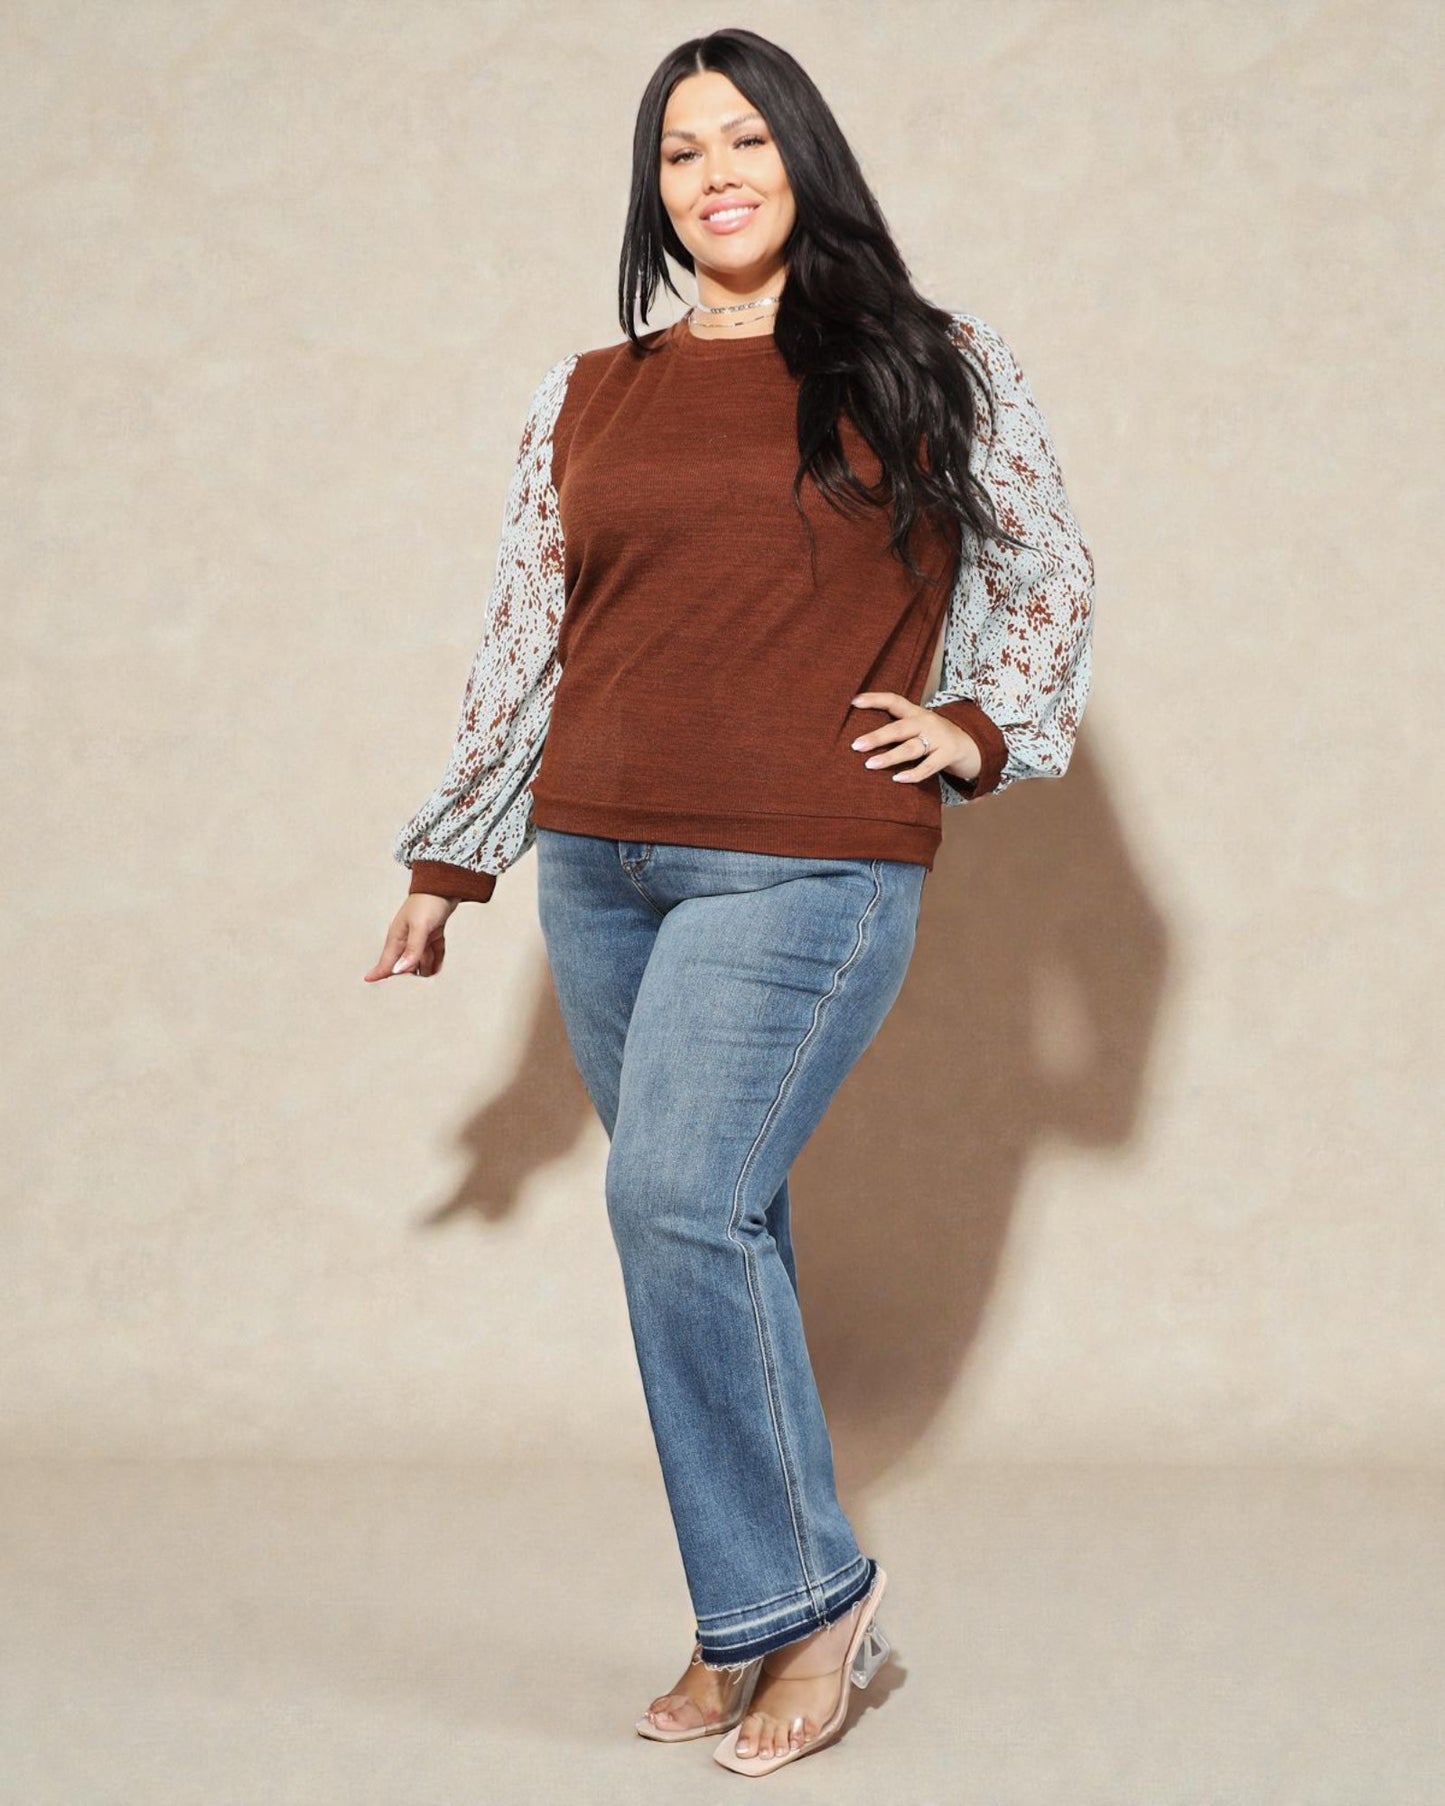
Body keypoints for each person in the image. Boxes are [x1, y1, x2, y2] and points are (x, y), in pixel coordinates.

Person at [365, 26, 1094, 1777]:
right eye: (682, 150)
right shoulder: (586, 393)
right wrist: (451, 855)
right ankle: (744, 1609)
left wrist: (978, 726)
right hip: (603, 862)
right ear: (656, 187)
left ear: (803, 159)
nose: (714, 174)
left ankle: (811, 1602)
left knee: (674, 1200)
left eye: (745, 139)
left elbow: (1045, 568)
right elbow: (527, 635)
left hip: (807, 857)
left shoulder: (927, 360)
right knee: (719, 1226)